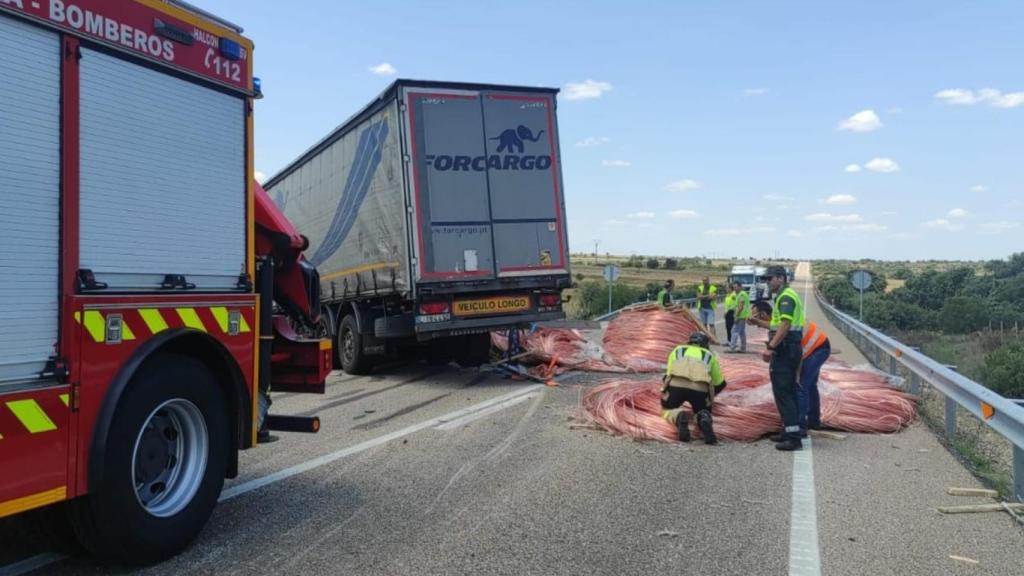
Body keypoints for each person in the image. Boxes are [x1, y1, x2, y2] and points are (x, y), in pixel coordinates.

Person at [747, 266, 804, 451]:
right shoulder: (783, 296)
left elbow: (785, 325)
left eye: (770, 278)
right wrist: (758, 322)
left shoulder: (786, 297)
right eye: (766, 279)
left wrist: (771, 348)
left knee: (784, 393)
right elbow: (775, 324)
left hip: (786, 350)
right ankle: (789, 431)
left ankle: (793, 438)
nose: (767, 282)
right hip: (789, 349)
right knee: (787, 392)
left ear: (780, 278)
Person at [752, 302, 831, 433]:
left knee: (801, 386)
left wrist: (796, 374)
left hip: (816, 349)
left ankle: (800, 427)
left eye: (755, 316)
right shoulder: (779, 322)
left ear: (764, 314)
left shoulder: (782, 324)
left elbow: (795, 355)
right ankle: (814, 421)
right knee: (810, 386)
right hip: (819, 346)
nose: (754, 319)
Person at [661, 332, 726, 444]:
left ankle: (678, 416)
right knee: (702, 410)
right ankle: (703, 417)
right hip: (699, 389)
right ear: (705, 344)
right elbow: (720, 383)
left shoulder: (678, 350)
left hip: (677, 386)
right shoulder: (709, 355)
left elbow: (667, 376)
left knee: (667, 409)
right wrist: (710, 399)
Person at [729, 282, 750, 353]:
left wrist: (736, 316)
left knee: (734, 331)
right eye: (734, 287)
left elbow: (740, 307)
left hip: (741, 316)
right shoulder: (741, 294)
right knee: (741, 332)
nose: (734, 289)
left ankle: (732, 347)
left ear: (740, 287)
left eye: (736, 287)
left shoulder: (741, 294)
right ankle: (743, 348)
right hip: (743, 315)